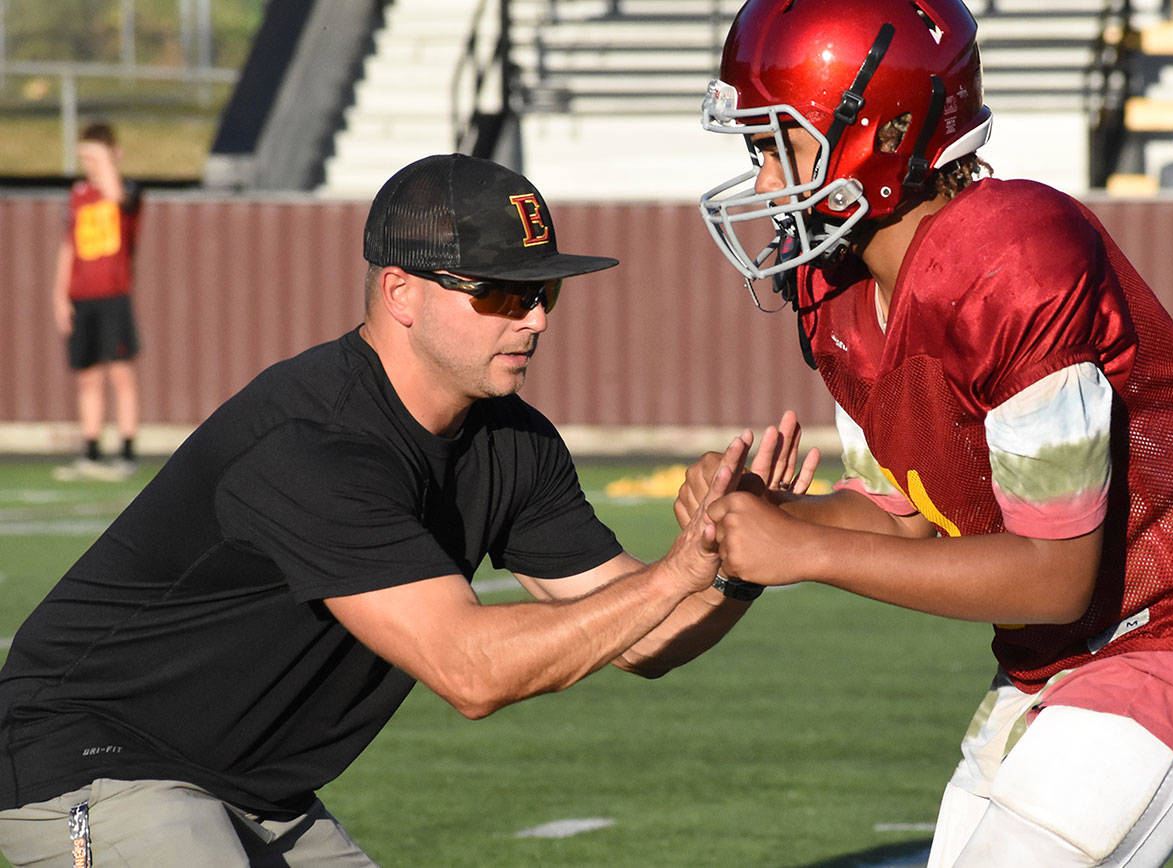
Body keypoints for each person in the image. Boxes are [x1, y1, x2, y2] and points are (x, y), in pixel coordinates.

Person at [0, 153, 796, 866]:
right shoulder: (315, 443)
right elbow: (471, 671)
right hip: (92, 760)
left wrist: (736, 558)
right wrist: (674, 573)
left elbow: (643, 638)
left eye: (543, 289)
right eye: (500, 291)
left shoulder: (512, 440)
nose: (536, 317)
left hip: (256, 791)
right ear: (400, 292)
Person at [684, 1, 1173, 865]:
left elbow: (1054, 577)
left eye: (784, 145)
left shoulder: (1012, 260)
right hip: (1050, 659)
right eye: (758, 151)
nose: (765, 182)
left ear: (884, 132)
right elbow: (902, 515)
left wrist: (807, 553)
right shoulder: (835, 286)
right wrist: (771, 517)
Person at [52, 121, 144, 482]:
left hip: (114, 295)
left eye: (94, 156)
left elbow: (118, 196)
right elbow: (68, 247)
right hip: (82, 297)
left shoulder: (126, 189)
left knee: (121, 374)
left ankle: (127, 450)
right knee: (87, 377)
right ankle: (90, 450)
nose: (88, 163)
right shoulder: (78, 195)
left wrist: (106, 161)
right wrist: (59, 296)